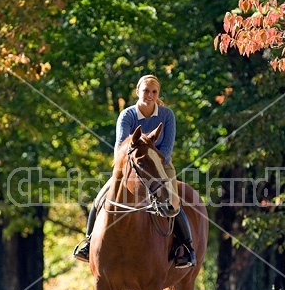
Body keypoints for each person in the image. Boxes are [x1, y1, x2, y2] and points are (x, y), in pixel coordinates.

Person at [73, 74, 196, 268]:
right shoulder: (127, 115)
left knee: (173, 203)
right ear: (137, 91)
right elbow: (120, 146)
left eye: (154, 92)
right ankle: (88, 243)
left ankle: (186, 248)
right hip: (130, 168)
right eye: (146, 91)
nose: (149, 95)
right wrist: (128, 167)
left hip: (160, 166)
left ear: (158, 94)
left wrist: (153, 162)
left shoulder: (167, 115)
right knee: (99, 200)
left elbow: (166, 150)